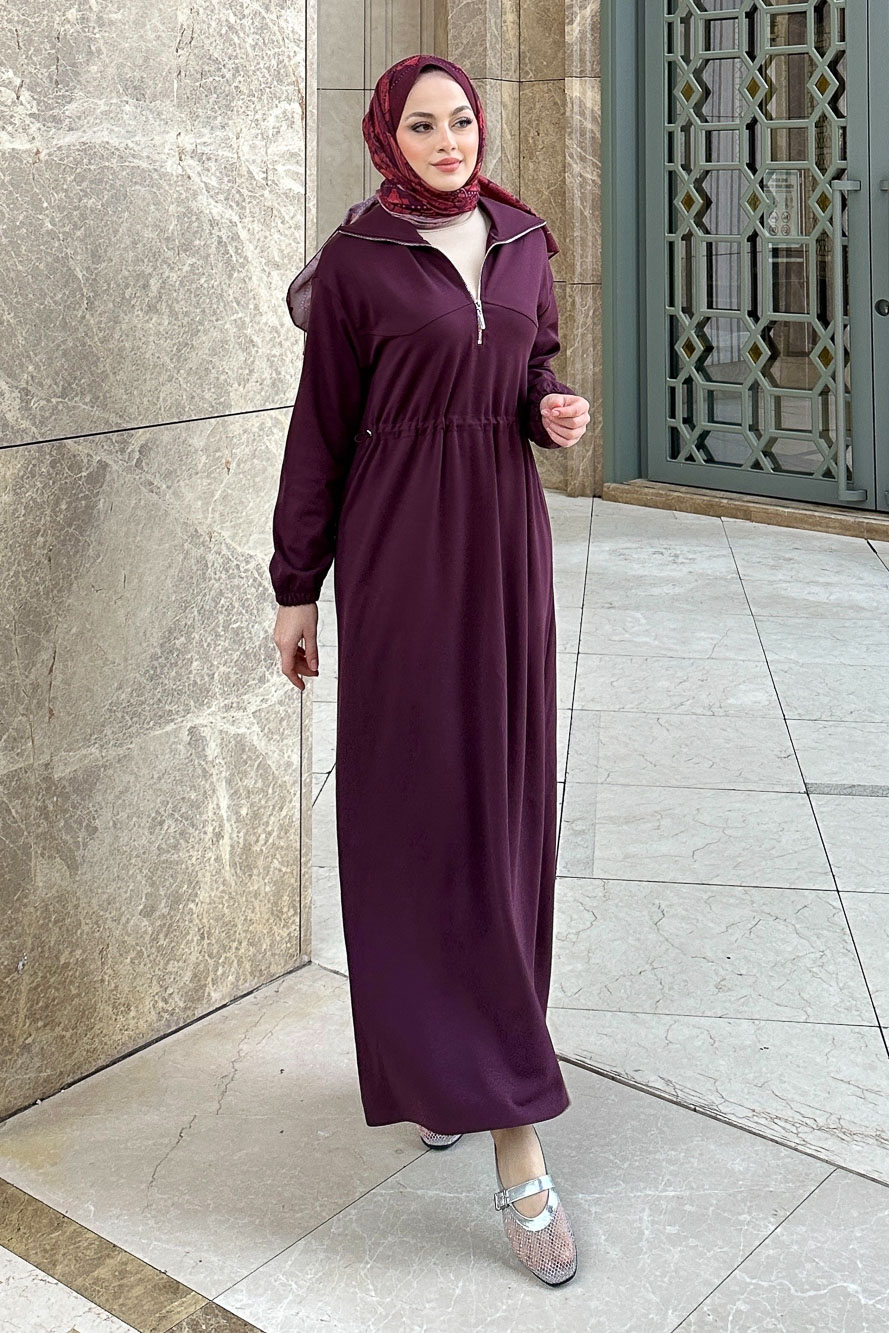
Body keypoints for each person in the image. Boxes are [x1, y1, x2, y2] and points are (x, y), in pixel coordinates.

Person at [269, 53, 590, 1287]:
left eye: (460, 119)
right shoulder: (358, 260)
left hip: (503, 550)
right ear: (386, 137)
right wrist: (296, 586)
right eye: (422, 123)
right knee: (416, 816)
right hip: (399, 555)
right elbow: (319, 432)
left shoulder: (522, 239)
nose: (448, 139)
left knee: (498, 818)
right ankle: (479, 1102)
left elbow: (529, 368)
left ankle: (490, 1097)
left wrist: (547, 409)